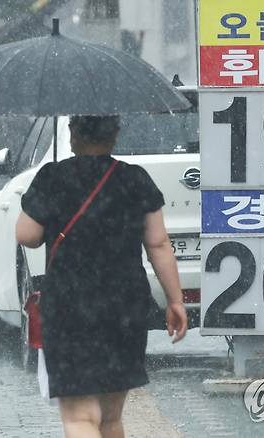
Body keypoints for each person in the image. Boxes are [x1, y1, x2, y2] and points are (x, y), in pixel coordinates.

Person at [15, 115, 188, 438]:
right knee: (110, 418)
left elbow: (26, 235)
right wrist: (175, 300)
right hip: (124, 306)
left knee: (80, 418)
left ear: (72, 134)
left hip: (69, 308)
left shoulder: (53, 177)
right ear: (115, 134)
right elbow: (159, 244)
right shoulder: (135, 179)